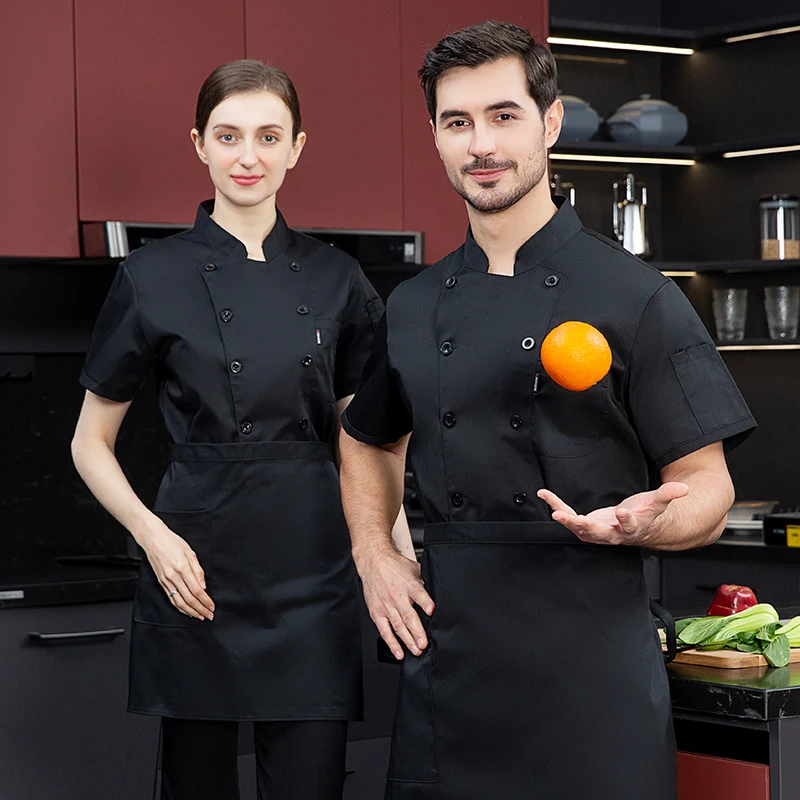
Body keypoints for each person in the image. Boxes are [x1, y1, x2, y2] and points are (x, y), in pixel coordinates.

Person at [339, 21, 755, 800]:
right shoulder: (414, 304)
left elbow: (708, 486)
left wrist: (645, 522)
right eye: (456, 122)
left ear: (551, 122)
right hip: (450, 675)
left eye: (503, 116)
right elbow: (367, 439)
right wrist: (374, 553)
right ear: (434, 136)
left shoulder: (638, 299)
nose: (481, 145)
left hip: (590, 682)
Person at [71, 59, 407, 800]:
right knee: (196, 787)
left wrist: (394, 560)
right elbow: (87, 441)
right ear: (199, 144)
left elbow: (367, 443)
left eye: (267, 136)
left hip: (313, 572)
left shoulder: (337, 279)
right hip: (195, 568)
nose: (247, 156)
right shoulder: (151, 276)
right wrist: (153, 540)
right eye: (228, 136)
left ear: (297, 147)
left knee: (311, 785)